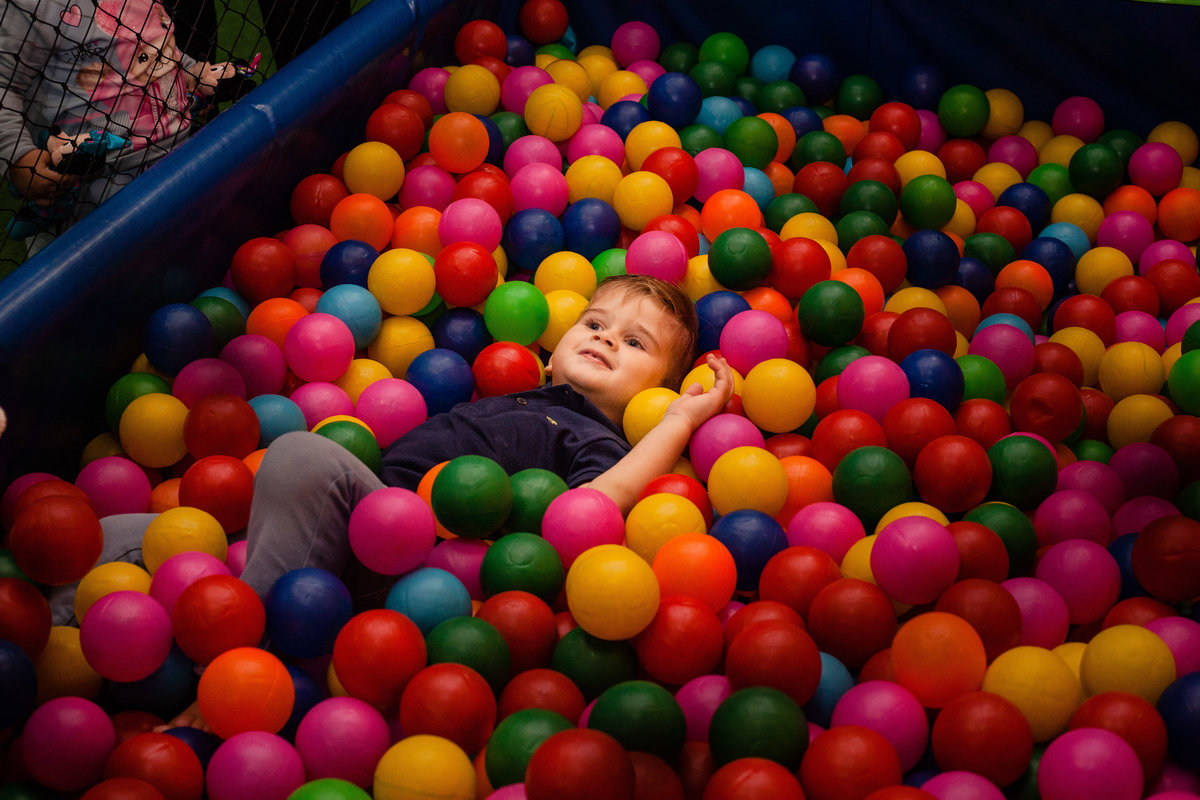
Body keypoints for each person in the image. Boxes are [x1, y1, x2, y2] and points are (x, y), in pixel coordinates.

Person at [0, 0, 243, 248]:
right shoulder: (32, 6)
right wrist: (19, 156)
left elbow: (153, 38)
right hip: (94, 186)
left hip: (180, 153)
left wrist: (192, 71)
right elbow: (3, 85)